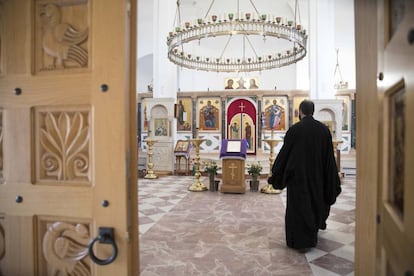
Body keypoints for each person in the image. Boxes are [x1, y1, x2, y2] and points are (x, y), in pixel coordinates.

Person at [267, 100, 341, 252]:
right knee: (314, 204)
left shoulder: (295, 130)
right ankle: (312, 235)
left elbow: (285, 154)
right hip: (318, 178)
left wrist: (277, 173)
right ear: (313, 111)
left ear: (300, 111)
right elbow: (329, 158)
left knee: (299, 208)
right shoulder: (323, 130)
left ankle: (298, 240)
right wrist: (330, 177)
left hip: (298, 179)